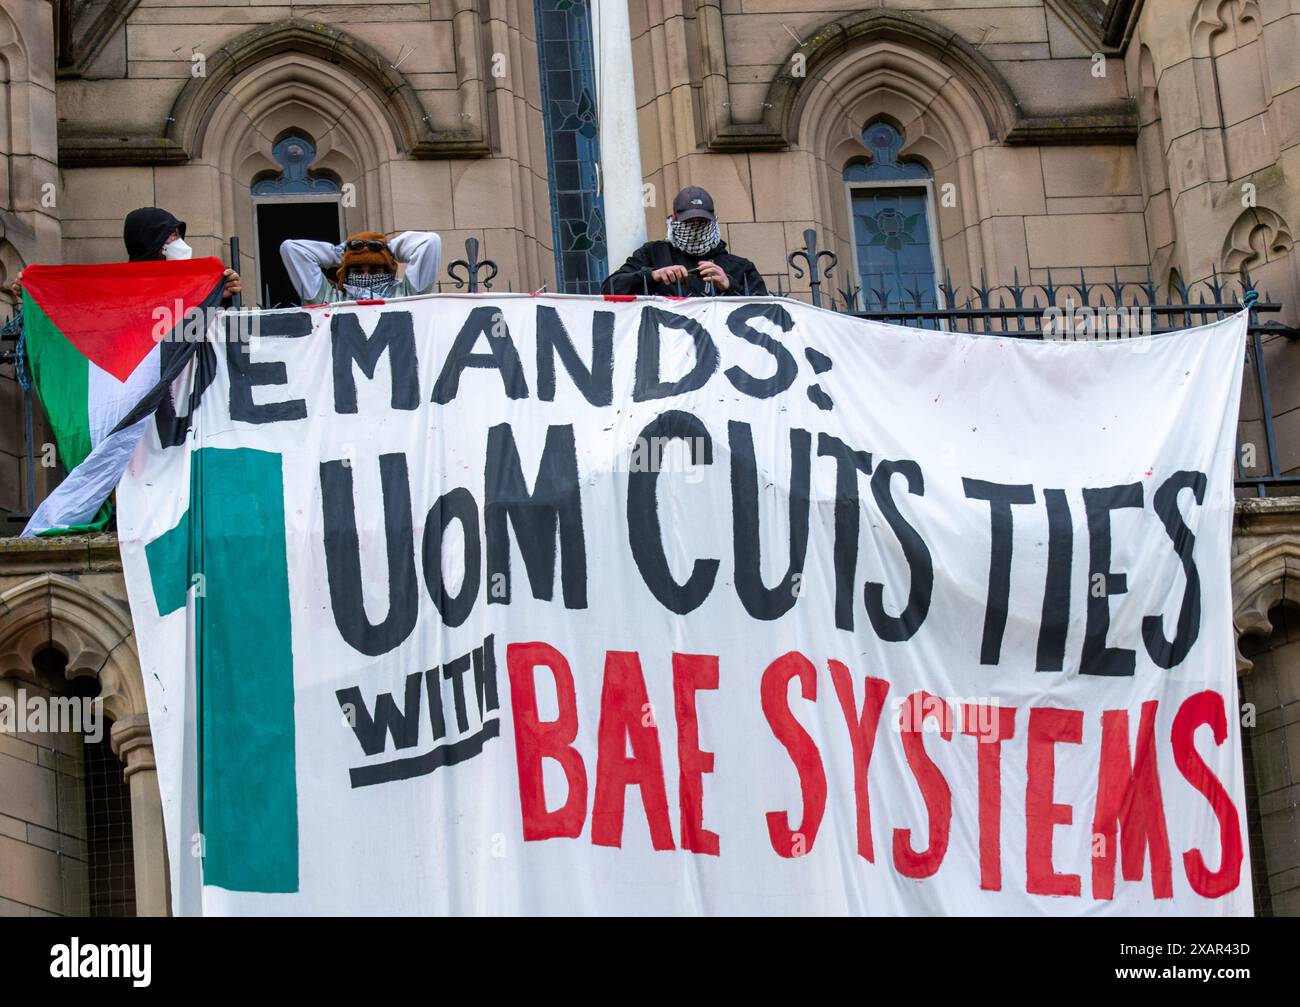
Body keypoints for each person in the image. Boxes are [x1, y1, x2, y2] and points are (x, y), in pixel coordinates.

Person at [9, 206, 242, 302]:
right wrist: (35, 291)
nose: (178, 241)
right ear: (151, 242)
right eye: (170, 235)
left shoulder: (194, 284)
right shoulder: (118, 286)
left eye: (177, 234)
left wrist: (220, 296)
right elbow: (79, 303)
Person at [602, 186, 766, 297]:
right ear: (674, 219)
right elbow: (610, 288)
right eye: (688, 222)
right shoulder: (653, 253)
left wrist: (729, 284)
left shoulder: (739, 267)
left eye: (702, 222)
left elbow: (765, 313)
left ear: (714, 221)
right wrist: (652, 275)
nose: (695, 228)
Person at [279, 230, 442, 304]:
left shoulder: (406, 294)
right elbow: (291, 249)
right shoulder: (329, 299)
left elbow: (430, 242)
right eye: (357, 270)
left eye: (374, 269)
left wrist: (388, 250)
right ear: (347, 273)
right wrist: (341, 254)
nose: (366, 274)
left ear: (386, 270)